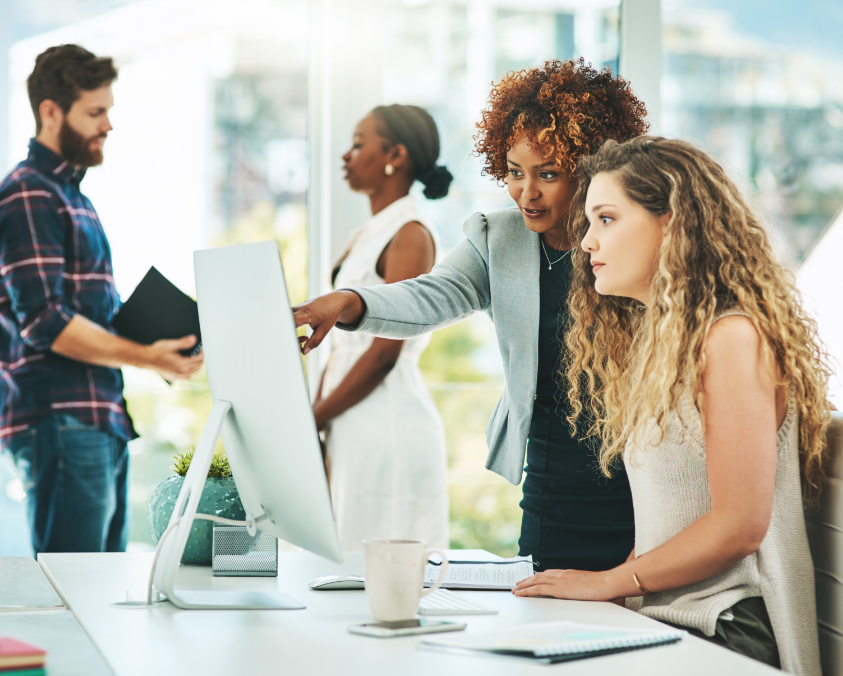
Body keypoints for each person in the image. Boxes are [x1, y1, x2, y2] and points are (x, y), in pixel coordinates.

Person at [294, 59, 648, 570]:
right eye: (514, 172)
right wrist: (352, 301)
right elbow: (431, 295)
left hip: (638, 483)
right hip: (551, 483)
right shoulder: (497, 239)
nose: (527, 193)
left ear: (593, 169)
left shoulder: (629, 240)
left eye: (548, 174)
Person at [512, 136, 829, 674]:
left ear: (673, 221)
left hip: (728, 626)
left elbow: (737, 526)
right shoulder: (666, 346)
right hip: (668, 618)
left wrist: (607, 582)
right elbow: (672, 521)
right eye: (589, 223)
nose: (586, 242)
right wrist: (609, 594)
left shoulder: (732, 337)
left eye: (606, 219)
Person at [0, 44, 203, 556]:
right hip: (62, 418)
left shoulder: (72, 197)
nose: (108, 125)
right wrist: (147, 355)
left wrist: (162, 343)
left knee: (98, 591)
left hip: (96, 416)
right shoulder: (29, 195)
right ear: (51, 112)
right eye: (95, 112)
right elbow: (46, 321)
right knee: (74, 594)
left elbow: (88, 313)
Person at [314, 104, 453, 550]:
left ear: (395, 153)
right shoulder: (372, 231)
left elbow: (383, 352)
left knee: (374, 573)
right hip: (352, 418)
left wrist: (313, 418)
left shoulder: (409, 233)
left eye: (358, 144)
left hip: (385, 425)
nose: (346, 156)